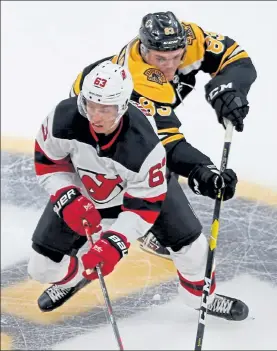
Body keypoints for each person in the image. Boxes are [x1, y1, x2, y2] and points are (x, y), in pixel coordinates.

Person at [28, 61, 247, 321]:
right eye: (90, 105)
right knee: (41, 269)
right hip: (85, 191)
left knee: (194, 249)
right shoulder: (61, 119)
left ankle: (201, 297)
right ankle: (77, 276)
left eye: (106, 108)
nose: (95, 116)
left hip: (145, 195)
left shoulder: (144, 145)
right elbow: (48, 161)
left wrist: (115, 242)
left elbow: (144, 205)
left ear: (122, 106)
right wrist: (67, 195)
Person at [69, 11, 257, 258]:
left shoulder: (191, 38)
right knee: (147, 164)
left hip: (130, 112)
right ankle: (146, 227)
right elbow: (165, 143)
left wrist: (228, 89)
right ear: (144, 50)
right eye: (161, 59)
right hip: (93, 123)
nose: (170, 66)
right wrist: (203, 170)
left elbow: (236, 58)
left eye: (176, 57)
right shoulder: (136, 80)